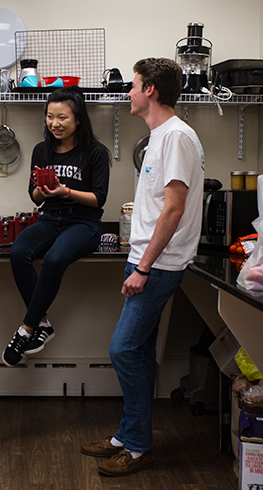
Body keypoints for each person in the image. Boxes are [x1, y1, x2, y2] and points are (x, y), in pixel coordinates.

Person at [81, 58, 205, 476]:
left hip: (157, 264)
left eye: (133, 85)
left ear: (150, 89)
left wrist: (144, 267)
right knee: (140, 351)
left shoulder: (176, 137)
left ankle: (136, 446)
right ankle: (127, 435)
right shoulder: (159, 137)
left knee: (124, 348)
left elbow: (173, 209)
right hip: (145, 260)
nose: (128, 93)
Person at [2, 86, 110, 367]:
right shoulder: (42, 151)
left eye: (62, 117)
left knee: (54, 259)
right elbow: (34, 196)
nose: (55, 124)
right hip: (50, 217)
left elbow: (99, 198)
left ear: (78, 119)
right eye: (50, 117)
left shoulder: (96, 153)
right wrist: (43, 189)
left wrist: (66, 191)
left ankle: (26, 328)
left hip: (84, 222)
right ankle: (43, 323)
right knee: (19, 252)